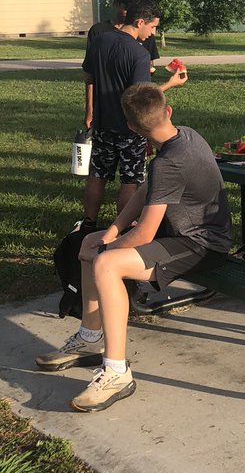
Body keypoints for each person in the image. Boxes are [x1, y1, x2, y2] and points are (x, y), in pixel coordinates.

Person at [36, 83, 232, 411]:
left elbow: (144, 234)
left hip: (202, 245)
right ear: (167, 111)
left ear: (131, 128)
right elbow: (145, 193)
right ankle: (90, 335)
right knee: (91, 242)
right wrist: (109, 233)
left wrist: (108, 250)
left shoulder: (169, 162)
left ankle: (116, 372)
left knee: (104, 263)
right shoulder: (185, 134)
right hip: (180, 236)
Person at [80, 0, 188, 230]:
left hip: (102, 123)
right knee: (130, 179)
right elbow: (142, 99)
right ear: (140, 22)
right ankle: (124, 228)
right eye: (153, 26)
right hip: (130, 127)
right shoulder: (138, 54)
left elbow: (88, 77)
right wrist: (170, 84)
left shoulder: (100, 41)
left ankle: (88, 223)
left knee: (98, 173)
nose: (152, 32)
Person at [83, 0, 160, 131]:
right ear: (115, 4)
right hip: (114, 119)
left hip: (126, 119)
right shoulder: (99, 32)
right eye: (125, 7)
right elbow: (90, 77)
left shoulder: (145, 34)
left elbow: (147, 71)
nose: (128, 11)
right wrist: (90, 110)